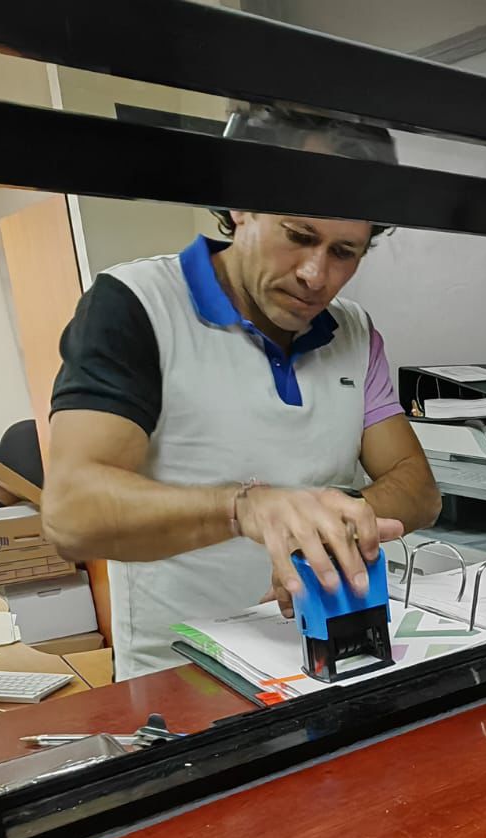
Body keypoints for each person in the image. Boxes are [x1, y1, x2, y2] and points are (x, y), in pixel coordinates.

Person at [42, 103, 441, 679]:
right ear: (241, 205)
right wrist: (244, 508)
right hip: (182, 673)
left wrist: (328, 527)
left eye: (344, 252)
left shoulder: (354, 331)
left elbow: (418, 488)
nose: (315, 275)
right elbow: (71, 513)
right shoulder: (136, 305)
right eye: (298, 236)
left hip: (325, 656)